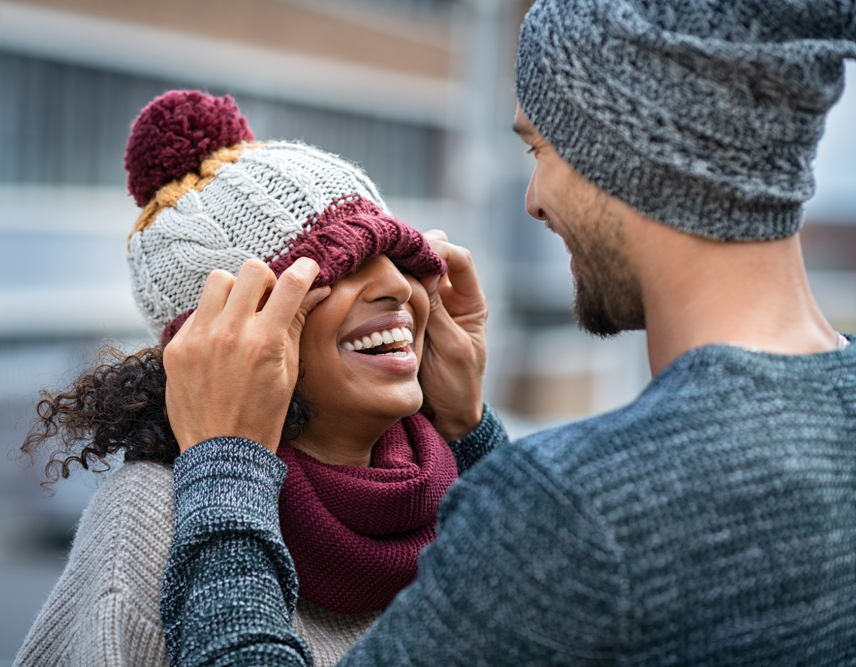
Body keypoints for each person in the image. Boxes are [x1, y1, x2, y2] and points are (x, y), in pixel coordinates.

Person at [158, 0, 856, 664]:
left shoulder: (576, 508)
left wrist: (224, 467)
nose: (535, 201)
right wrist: (470, 430)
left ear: (622, 147)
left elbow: (569, 546)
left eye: (538, 150)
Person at [12, 90, 493, 667]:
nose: (396, 284)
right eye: (345, 263)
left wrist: (470, 431)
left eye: (400, 255)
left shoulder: (462, 489)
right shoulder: (153, 516)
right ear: (231, 340)